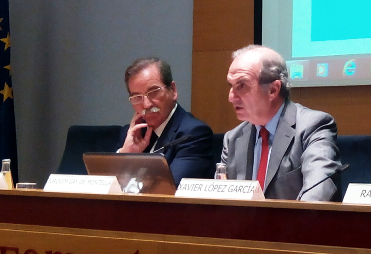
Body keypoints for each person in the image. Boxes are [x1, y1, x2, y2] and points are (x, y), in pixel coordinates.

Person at [221, 45, 341, 201]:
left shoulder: (313, 126)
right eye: (231, 86)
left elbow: (319, 191)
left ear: (273, 90)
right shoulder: (233, 139)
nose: (231, 97)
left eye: (242, 86)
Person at [118, 57, 214, 185]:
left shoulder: (193, 134)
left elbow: (169, 189)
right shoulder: (131, 135)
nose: (146, 104)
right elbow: (108, 190)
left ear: (173, 90)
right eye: (137, 97)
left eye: (153, 92)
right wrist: (125, 155)